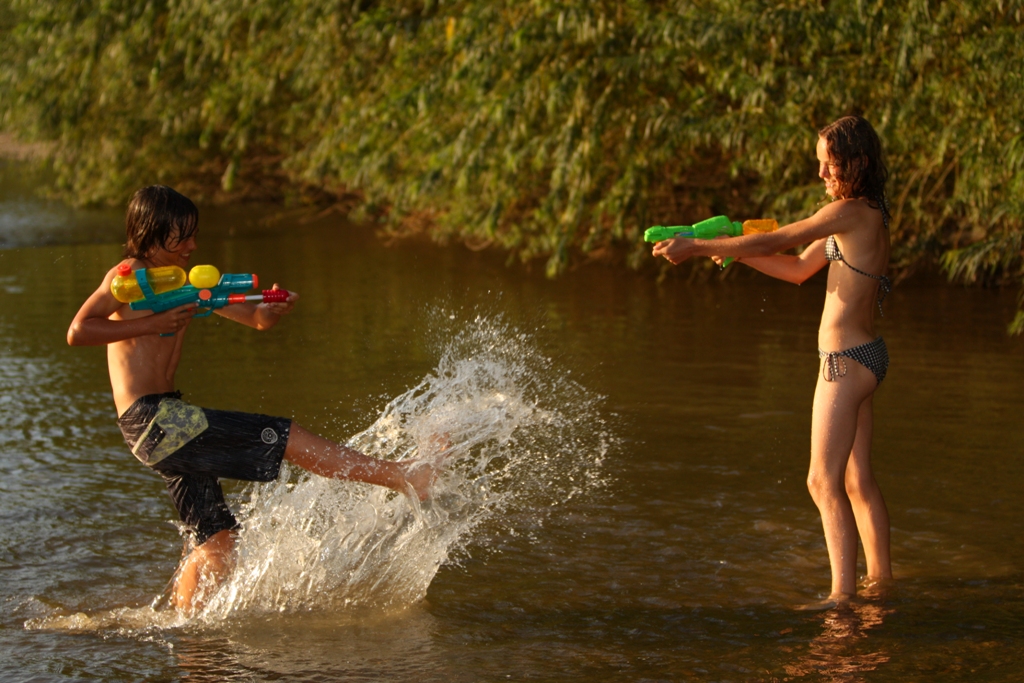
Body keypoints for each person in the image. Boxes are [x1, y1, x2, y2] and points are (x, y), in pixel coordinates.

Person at [68, 185, 442, 613]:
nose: (192, 245)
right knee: (284, 435)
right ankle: (403, 476)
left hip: (167, 421)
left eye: (193, 235)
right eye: (181, 236)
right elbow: (79, 330)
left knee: (218, 544)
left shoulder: (187, 283)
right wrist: (152, 324)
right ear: (151, 234)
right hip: (155, 420)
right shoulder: (128, 276)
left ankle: (184, 631)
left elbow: (259, 320)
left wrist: (272, 308)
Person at [653, 116, 893, 603]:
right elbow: (799, 268)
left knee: (821, 481)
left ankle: (841, 601)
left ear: (859, 163)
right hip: (867, 358)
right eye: (820, 163)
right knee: (856, 480)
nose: (821, 174)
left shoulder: (848, 212)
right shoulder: (868, 215)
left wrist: (696, 246)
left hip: (844, 363)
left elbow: (776, 239)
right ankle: (882, 584)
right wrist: (736, 253)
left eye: (830, 164)